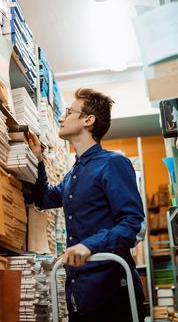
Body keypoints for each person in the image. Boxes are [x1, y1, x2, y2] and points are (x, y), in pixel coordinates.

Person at [29, 88, 146, 322]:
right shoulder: (73, 174)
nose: (61, 118)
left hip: (112, 291)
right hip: (80, 293)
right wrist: (39, 161)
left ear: (88, 120)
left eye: (69, 112)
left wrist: (89, 246)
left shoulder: (113, 163)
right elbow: (44, 199)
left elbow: (133, 222)